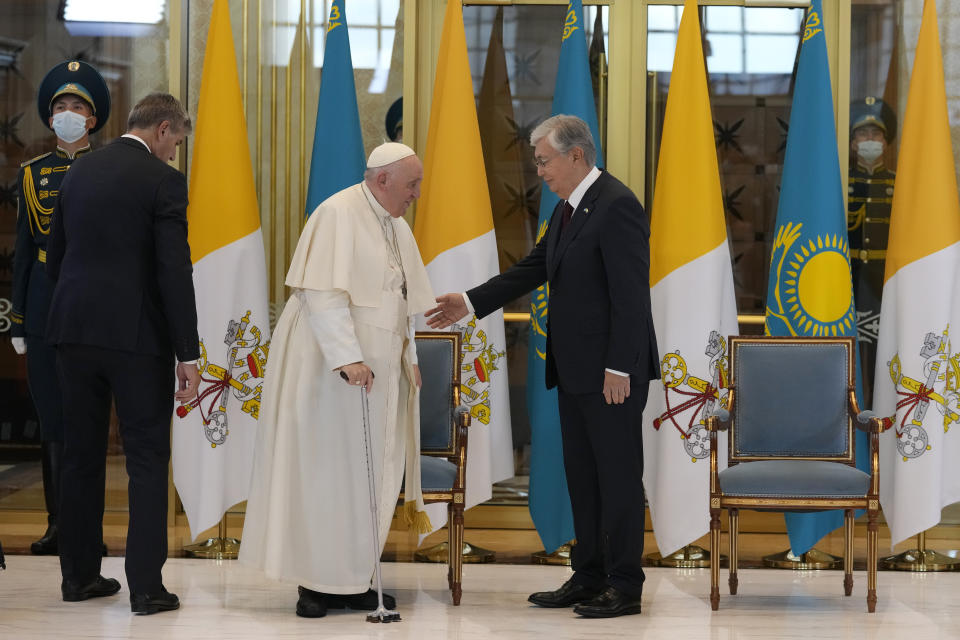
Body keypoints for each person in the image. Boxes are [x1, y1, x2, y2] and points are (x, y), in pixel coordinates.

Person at [426, 114, 658, 618]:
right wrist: (469, 300)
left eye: (544, 160)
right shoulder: (568, 211)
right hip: (575, 370)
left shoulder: (617, 206)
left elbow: (631, 297)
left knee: (617, 479)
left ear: (576, 156)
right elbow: (535, 266)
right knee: (583, 475)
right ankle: (589, 574)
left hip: (611, 375)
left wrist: (620, 367)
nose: (539, 171)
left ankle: (625, 585)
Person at [240, 142, 436, 619]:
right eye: (411, 185)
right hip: (332, 374)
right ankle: (314, 584)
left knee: (369, 477)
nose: (415, 194)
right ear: (382, 179)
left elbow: (402, 298)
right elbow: (322, 293)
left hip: (380, 377)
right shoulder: (337, 213)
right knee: (324, 474)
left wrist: (409, 353)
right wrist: (348, 358)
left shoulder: (395, 225)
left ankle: (352, 580)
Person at [45, 92, 201, 615]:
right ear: (161, 129)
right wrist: (189, 352)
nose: (176, 152)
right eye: (176, 141)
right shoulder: (163, 181)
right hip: (136, 340)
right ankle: (147, 589)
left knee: (81, 456)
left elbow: (57, 259)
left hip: (72, 332)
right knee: (147, 459)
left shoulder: (79, 173)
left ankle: (80, 577)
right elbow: (173, 272)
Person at [10, 60, 110, 556]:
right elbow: (25, 254)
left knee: (88, 420)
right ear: (51, 120)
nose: (69, 114)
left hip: (94, 309)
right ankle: (57, 525)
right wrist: (19, 322)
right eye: (61, 107)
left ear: (92, 120)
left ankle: (85, 526)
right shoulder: (32, 175)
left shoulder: (108, 170)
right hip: (47, 309)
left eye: (79, 107)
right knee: (53, 420)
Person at [848, 96, 897, 405]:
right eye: (863, 135)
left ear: (886, 141)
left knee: (882, 353)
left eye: (875, 134)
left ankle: (880, 412)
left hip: (883, 283)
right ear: (853, 143)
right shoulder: (843, 182)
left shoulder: (898, 183)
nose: (870, 140)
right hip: (849, 280)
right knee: (851, 355)